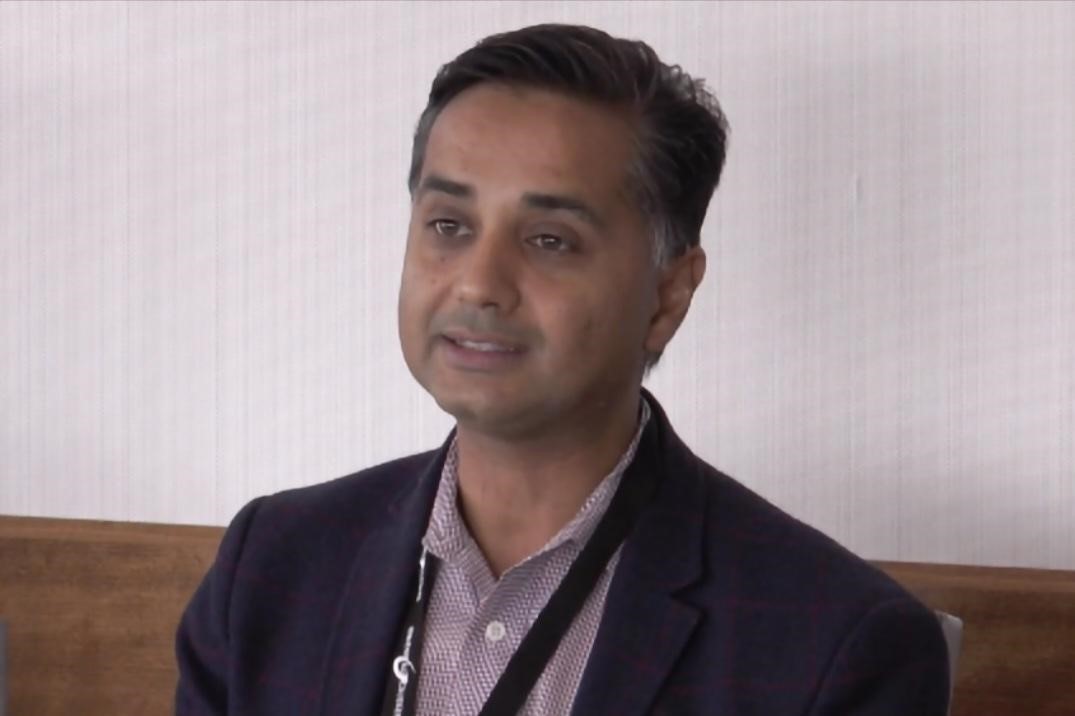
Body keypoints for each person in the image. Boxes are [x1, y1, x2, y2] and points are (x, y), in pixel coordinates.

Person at [176, 23, 950, 716]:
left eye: (549, 240)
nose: (478, 284)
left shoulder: (834, 647)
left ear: (667, 294)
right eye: (448, 225)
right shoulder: (273, 566)